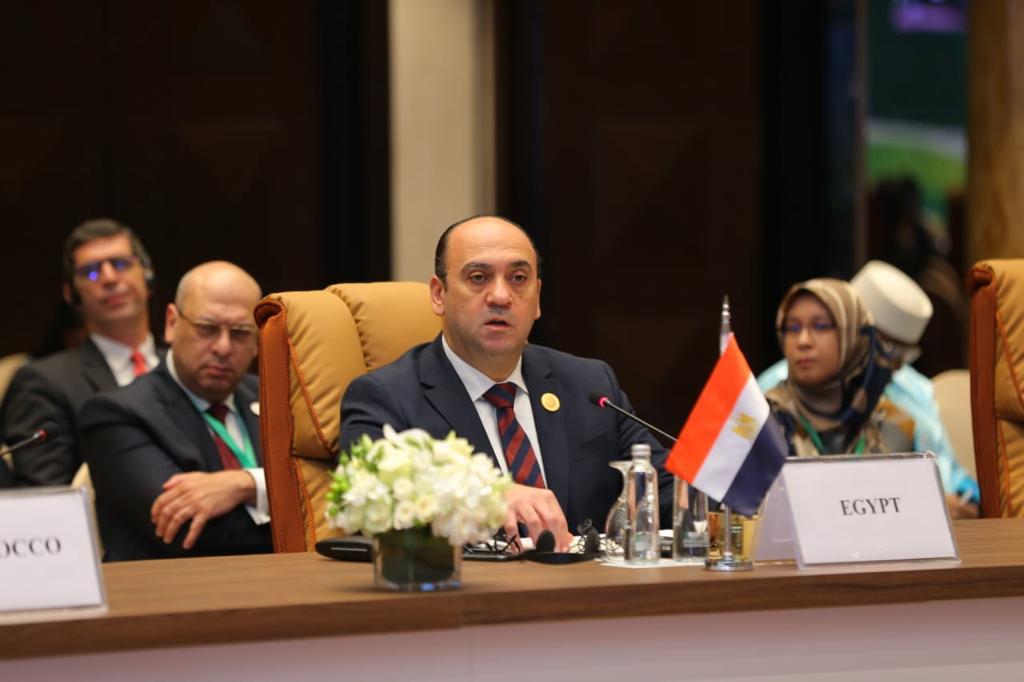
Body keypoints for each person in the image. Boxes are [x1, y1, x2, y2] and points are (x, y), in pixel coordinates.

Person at [339, 215, 672, 551]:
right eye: (478, 277)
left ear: (537, 297)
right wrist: (489, 496)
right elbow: (373, 502)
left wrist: (705, 475)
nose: (500, 296)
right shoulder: (385, 397)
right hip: (468, 583)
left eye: (518, 278)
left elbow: (665, 488)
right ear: (439, 295)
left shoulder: (590, 384)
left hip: (587, 581)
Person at [79, 261, 271, 561]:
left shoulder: (278, 399)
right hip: (174, 586)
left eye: (240, 333)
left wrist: (246, 484)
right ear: (171, 323)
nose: (223, 348)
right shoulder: (117, 415)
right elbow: (189, 534)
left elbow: (333, 493)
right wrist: (290, 509)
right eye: (206, 329)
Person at [758, 261, 979, 517]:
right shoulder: (767, 408)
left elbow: (947, 475)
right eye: (793, 328)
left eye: (900, 352)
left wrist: (957, 499)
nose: (888, 360)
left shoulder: (908, 404)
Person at [0, 219, 161, 486]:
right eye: (91, 272)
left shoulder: (186, 367)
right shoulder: (43, 382)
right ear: (71, 294)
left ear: (148, 276)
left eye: (121, 264)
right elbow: (48, 496)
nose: (109, 278)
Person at [765, 278, 914, 456]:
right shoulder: (763, 422)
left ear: (854, 337)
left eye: (820, 326)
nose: (803, 341)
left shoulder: (894, 425)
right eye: (793, 328)